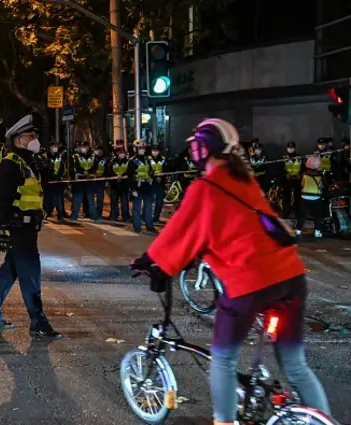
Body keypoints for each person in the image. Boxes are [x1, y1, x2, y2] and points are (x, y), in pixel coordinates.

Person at [130, 118, 330, 425]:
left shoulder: (205, 187)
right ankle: (321, 419)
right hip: (290, 278)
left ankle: (225, 422)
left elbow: (182, 232)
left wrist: (150, 261)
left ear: (202, 149)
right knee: (294, 365)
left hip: (249, 282)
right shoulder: (245, 179)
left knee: (223, 358)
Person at [0, 114, 62, 340]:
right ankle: (38, 321)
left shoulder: (29, 162)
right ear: (18, 139)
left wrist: (45, 169)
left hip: (28, 226)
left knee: (10, 271)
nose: (35, 139)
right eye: (30, 136)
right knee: (31, 273)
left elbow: (42, 190)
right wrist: (3, 229)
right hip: (18, 227)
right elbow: (4, 198)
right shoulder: (10, 163)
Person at [128, 140, 156, 234]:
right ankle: (137, 226)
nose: (142, 150)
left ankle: (149, 226)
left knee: (148, 207)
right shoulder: (132, 161)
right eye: (140, 148)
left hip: (147, 185)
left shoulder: (148, 159)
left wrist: (152, 174)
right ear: (135, 149)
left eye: (143, 148)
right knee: (137, 208)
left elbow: (151, 171)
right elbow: (130, 176)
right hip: (137, 185)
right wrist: (132, 189)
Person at [297, 156, 325, 238]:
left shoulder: (304, 174)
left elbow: (302, 184)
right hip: (316, 197)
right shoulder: (320, 175)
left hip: (304, 196)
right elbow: (323, 186)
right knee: (317, 215)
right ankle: (317, 231)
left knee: (302, 215)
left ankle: (298, 231)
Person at [70, 140, 98, 221]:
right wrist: (82, 172)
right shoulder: (76, 156)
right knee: (77, 199)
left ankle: (94, 216)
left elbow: (95, 167)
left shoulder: (93, 156)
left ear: (89, 147)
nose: (83, 148)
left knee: (91, 199)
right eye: (82, 147)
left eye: (85, 146)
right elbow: (75, 167)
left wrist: (89, 173)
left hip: (90, 180)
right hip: (80, 180)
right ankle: (74, 215)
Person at [44, 140, 66, 221]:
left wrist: (60, 176)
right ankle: (46, 214)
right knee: (47, 200)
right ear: (49, 147)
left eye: (56, 146)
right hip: (48, 182)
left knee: (58, 200)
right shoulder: (45, 157)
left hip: (58, 182)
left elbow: (63, 169)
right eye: (53, 146)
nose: (55, 148)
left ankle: (60, 215)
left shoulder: (59, 158)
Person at [109, 142, 131, 222]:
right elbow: (109, 171)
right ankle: (114, 216)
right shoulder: (112, 162)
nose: (121, 154)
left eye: (122, 152)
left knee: (125, 202)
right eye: (119, 152)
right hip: (114, 185)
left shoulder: (128, 161)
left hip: (124, 185)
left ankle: (125, 217)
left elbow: (129, 171)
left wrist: (122, 177)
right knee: (114, 202)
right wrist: (116, 177)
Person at [281, 142, 302, 219]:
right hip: (287, 180)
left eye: (292, 148)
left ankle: (298, 214)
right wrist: (285, 174)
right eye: (289, 148)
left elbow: (302, 167)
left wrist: (300, 175)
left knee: (298, 198)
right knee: (286, 198)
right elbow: (279, 169)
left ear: (295, 148)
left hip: (297, 180)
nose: (290, 149)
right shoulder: (283, 157)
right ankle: (286, 214)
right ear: (287, 149)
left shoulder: (299, 157)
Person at [149, 144, 167, 224]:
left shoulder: (163, 159)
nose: (155, 152)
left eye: (156, 151)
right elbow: (147, 170)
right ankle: (147, 217)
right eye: (153, 151)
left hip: (160, 183)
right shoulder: (148, 159)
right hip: (151, 183)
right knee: (148, 201)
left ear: (159, 151)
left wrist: (161, 177)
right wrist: (154, 176)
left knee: (159, 202)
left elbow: (167, 169)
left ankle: (156, 218)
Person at [92, 145, 107, 219]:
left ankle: (99, 213)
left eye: (100, 151)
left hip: (101, 181)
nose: (99, 152)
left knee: (100, 199)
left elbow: (107, 170)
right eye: (98, 151)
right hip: (92, 181)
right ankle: (91, 212)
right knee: (91, 199)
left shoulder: (105, 160)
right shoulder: (92, 159)